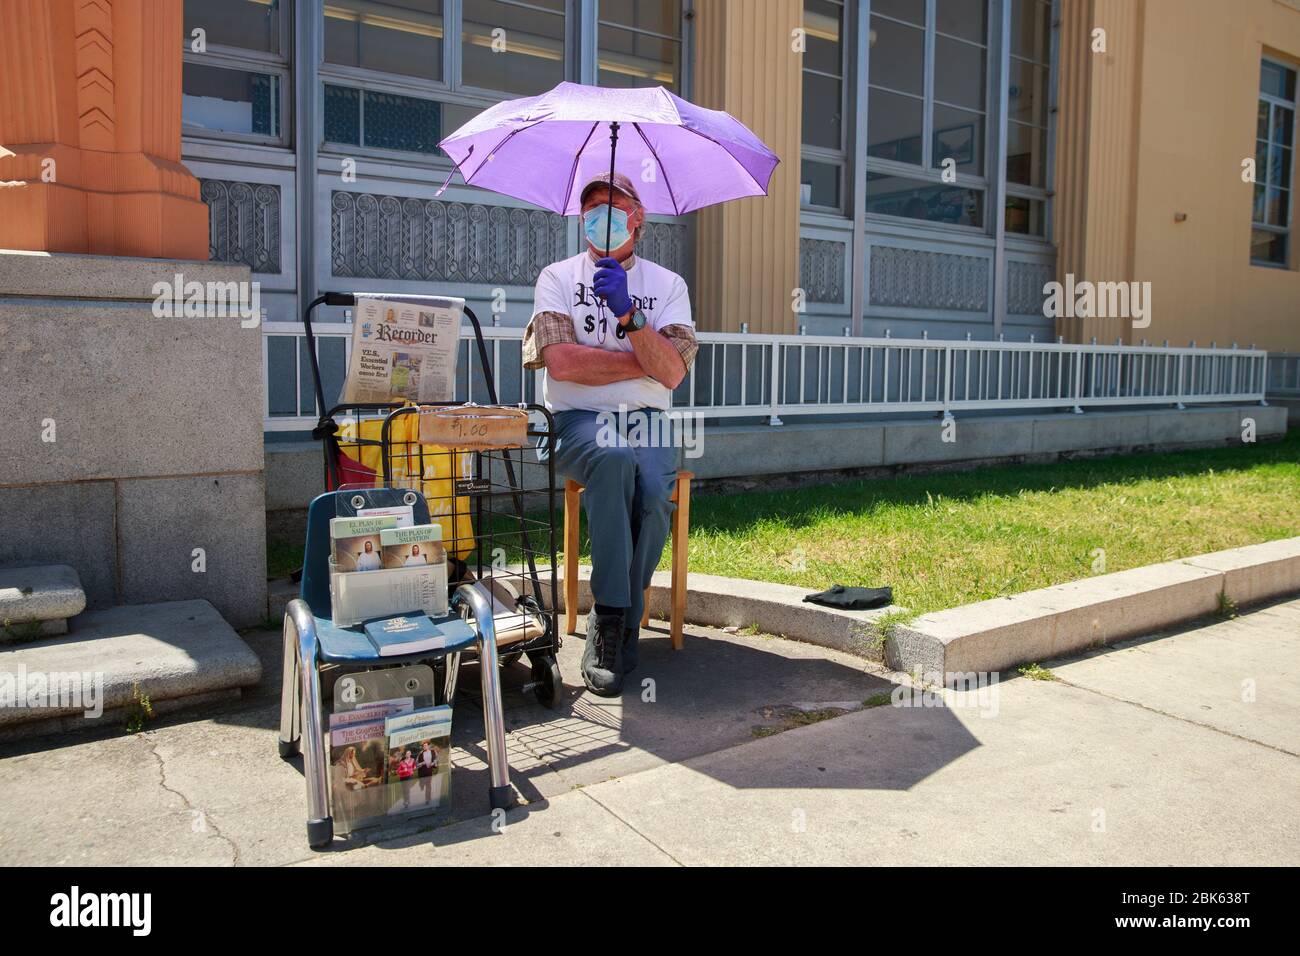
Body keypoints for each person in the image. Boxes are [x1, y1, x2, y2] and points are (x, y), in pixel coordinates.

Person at [524, 172, 697, 696]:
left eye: (612, 207)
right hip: (575, 421)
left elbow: (670, 373)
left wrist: (627, 313)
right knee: (614, 458)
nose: (600, 216)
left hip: (648, 420)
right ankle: (613, 617)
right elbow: (560, 363)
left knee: (652, 492)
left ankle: (616, 610)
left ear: (638, 219)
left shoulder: (668, 286)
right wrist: (638, 357)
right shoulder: (555, 278)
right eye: (591, 208)